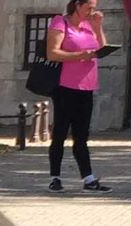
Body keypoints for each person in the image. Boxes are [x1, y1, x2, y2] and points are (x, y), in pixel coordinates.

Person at [45, 0, 111, 192]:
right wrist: (81, 55)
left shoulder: (89, 25)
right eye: (89, 7)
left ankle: (88, 178)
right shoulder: (60, 22)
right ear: (77, 5)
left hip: (87, 86)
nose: (92, 11)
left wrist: (97, 27)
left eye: (94, 7)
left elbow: (102, 50)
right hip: (65, 86)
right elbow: (52, 53)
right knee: (60, 133)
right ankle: (55, 177)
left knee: (82, 135)